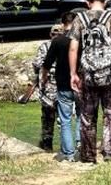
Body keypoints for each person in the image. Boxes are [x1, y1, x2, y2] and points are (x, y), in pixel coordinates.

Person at [68, 0, 111, 164]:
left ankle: (88, 156)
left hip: (87, 76)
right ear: (104, 1)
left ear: (87, 2)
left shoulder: (79, 19)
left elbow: (73, 48)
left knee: (87, 117)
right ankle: (110, 154)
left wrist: (73, 73)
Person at [41, 12, 80, 162]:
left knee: (65, 119)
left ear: (63, 24)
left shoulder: (57, 41)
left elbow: (47, 63)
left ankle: (68, 153)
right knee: (82, 116)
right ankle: (80, 146)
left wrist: (44, 79)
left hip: (63, 84)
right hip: (81, 83)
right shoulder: (81, 39)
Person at [32, 24, 63, 152]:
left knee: (56, 118)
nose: (55, 36)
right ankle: (50, 145)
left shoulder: (45, 47)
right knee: (52, 118)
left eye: (57, 34)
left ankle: (52, 146)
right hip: (54, 88)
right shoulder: (67, 44)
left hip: (56, 87)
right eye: (54, 34)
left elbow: (37, 64)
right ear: (50, 35)